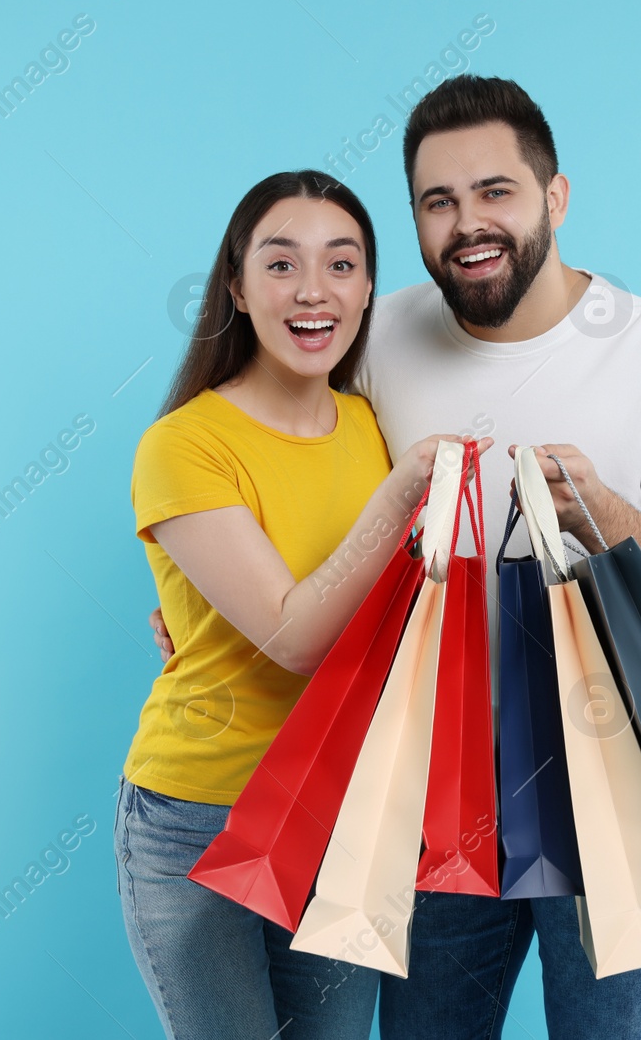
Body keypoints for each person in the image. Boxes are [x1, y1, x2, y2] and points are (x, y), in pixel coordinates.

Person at [150, 76, 641, 1040]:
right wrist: (200, 608)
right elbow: (276, 447)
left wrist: (605, 512)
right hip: (425, 790)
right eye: (438, 202)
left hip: (608, 789)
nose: (467, 223)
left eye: (495, 192)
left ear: (555, 199)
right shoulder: (373, 330)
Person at [114, 168, 489, 1040]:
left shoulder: (370, 424)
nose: (313, 290)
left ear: (366, 291)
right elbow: (293, 637)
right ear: (237, 288)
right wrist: (397, 498)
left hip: (343, 817)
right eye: (281, 265)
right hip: (202, 821)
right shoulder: (183, 445)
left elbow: (403, 605)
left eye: (342, 264)